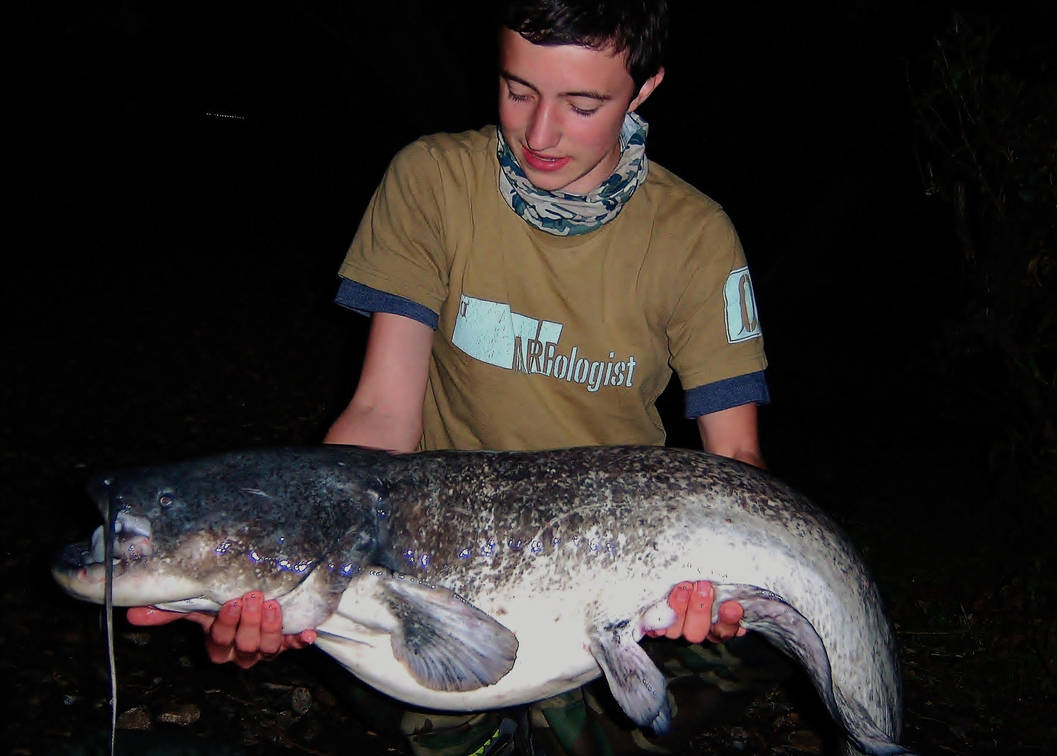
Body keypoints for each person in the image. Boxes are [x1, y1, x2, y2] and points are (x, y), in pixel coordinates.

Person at [130, 0, 768, 751]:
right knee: (411, 681)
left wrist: (719, 585)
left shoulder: (695, 235)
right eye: (517, 89)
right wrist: (276, 568)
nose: (538, 133)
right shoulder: (431, 179)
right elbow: (379, 413)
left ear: (645, 88)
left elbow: (735, 464)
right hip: (439, 550)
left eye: (582, 102)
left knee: (746, 649)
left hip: (620, 552)